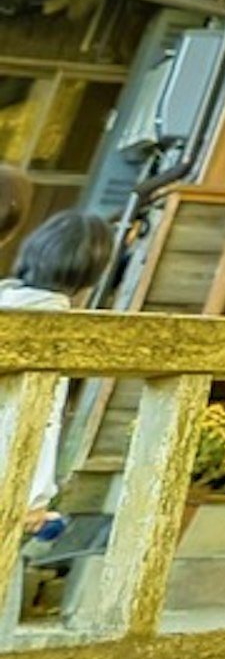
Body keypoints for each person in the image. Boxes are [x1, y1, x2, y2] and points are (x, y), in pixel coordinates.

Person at [2, 205, 118, 606]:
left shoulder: (7, 302)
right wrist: (33, 503)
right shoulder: (54, 327)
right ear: (91, 273)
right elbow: (39, 423)